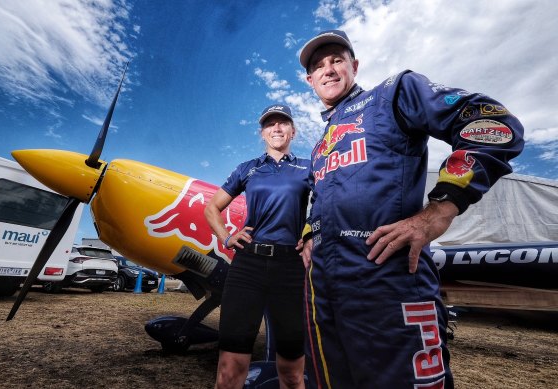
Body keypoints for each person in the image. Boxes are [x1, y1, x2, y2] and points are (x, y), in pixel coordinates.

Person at [297, 30, 524, 388]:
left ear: (354, 66)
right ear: (310, 80)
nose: (328, 69)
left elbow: (493, 125)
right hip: (321, 293)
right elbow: (318, 194)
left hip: (389, 283)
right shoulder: (320, 144)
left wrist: (437, 212)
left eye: (337, 59)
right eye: (318, 66)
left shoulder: (394, 93)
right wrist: (310, 231)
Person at [205, 104, 311, 389]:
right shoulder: (247, 168)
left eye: (282, 123)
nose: (276, 129)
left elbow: (331, 199)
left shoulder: (308, 167)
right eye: (270, 124)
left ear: (292, 131)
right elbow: (212, 208)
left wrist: (313, 231)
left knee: (291, 373)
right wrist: (227, 237)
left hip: (290, 268)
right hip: (248, 267)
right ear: (262, 133)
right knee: (230, 372)